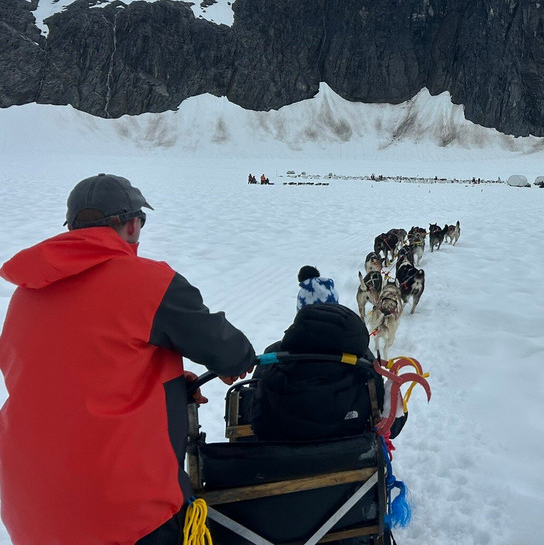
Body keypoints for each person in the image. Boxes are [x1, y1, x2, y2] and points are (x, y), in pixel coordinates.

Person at [0, 173, 257, 545]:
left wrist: (165, 383)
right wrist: (238, 361)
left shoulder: (26, 294)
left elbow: (59, 375)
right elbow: (230, 352)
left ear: (71, 228)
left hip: (29, 509)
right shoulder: (150, 284)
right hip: (122, 513)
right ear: (133, 225)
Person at [250, 302, 405, 442]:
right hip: (352, 457)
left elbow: (254, 414)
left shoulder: (274, 360)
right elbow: (393, 425)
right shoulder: (364, 368)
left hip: (278, 457)